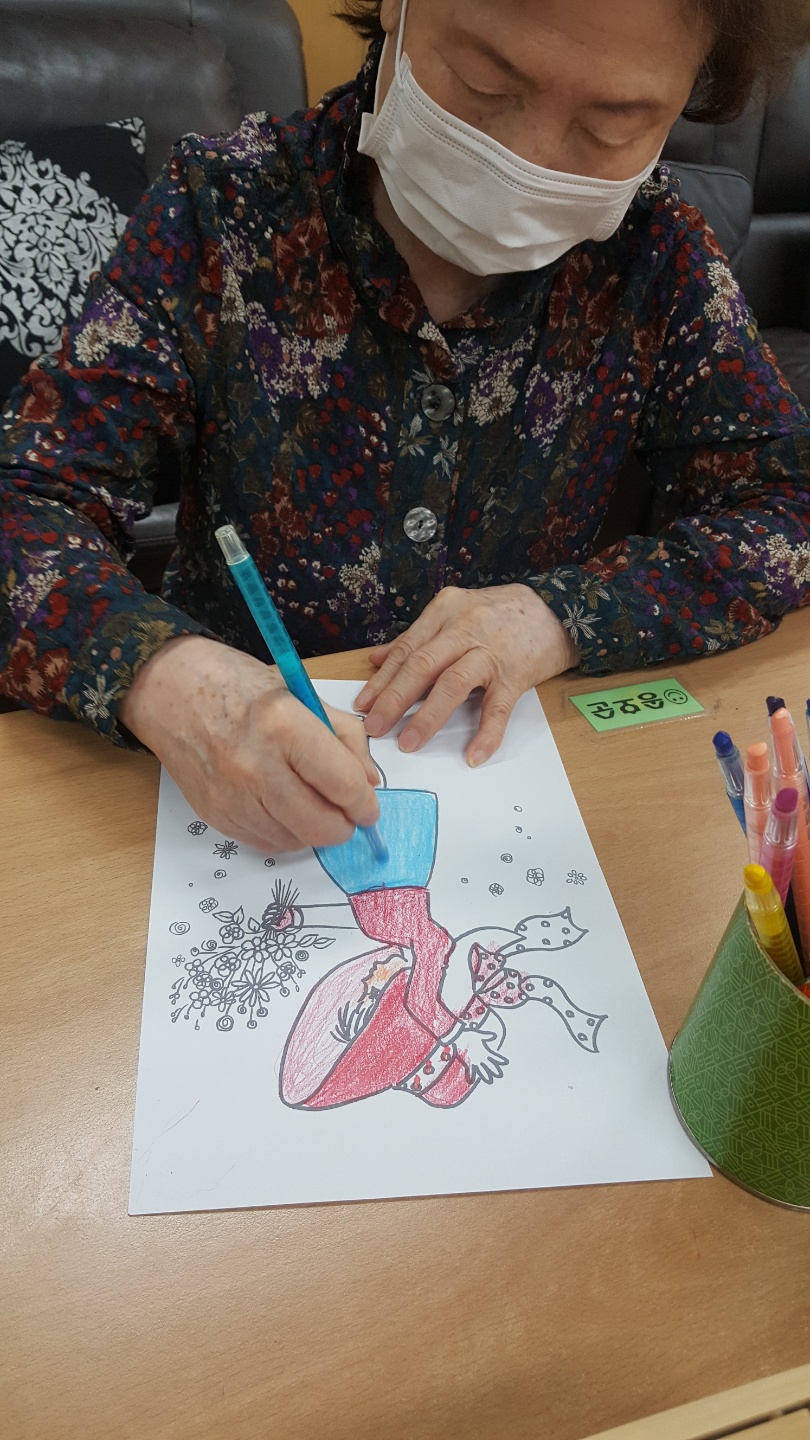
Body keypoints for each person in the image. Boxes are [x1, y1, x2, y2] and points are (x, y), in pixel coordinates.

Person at [1, 0, 809, 855]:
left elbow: (788, 506)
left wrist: (561, 614)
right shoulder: (222, 207)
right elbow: (24, 502)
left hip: (516, 778)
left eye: (612, 125)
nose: (527, 161)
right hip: (217, 798)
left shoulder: (658, 252)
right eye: (485, 81)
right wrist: (166, 679)